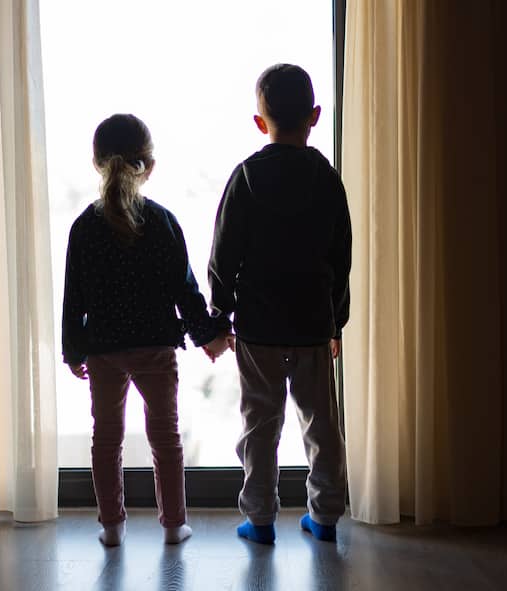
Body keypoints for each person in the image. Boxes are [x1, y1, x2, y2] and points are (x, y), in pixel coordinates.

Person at [62, 113, 233, 547]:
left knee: (106, 438)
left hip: (103, 349)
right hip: (155, 348)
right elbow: (186, 290)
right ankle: (174, 525)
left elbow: (73, 299)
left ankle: (112, 527)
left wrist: (74, 351)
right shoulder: (162, 222)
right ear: (149, 166)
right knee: (165, 437)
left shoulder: (84, 227)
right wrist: (209, 335)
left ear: (97, 162)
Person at [209, 64, 351, 544]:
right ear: (314, 116)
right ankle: (326, 516)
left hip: (258, 326)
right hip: (312, 321)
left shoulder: (246, 177)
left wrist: (219, 315)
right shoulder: (326, 178)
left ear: (259, 121)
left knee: (259, 425)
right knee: (321, 425)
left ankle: (261, 519)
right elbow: (341, 256)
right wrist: (337, 322)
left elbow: (223, 255)